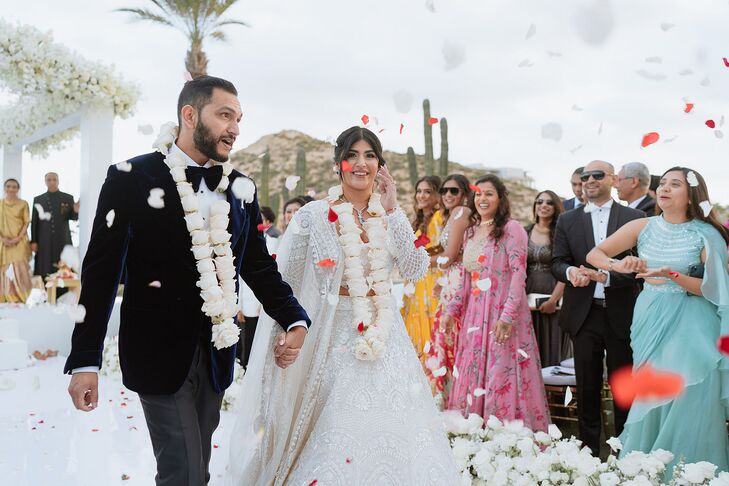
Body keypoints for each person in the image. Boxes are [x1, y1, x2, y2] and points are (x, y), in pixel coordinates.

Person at [64, 76, 310, 486]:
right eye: (225, 115)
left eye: (239, 118)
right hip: (156, 352)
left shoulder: (240, 187)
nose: (234, 127)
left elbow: (256, 265)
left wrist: (294, 317)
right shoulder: (130, 177)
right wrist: (86, 359)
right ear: (190, 114)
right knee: (183, 471)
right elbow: (101, 272)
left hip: (216, 353)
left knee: (197, 469)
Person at [226, 127, 459, 485]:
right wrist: (286, 332)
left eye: (369, 155)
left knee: (393, 423)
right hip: (331, 333)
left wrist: (395, 210)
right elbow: (283, 282)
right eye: (352, 155)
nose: (361, 163)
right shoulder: (313, 216)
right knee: (335, 421)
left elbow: (413, 269)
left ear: (380, 165)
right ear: (339, 164)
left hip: (385, 334)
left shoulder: (388, 216)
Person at [587, 167, 729, 473]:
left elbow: (714, 289)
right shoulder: (643, 226)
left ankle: (688, 473)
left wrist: (671, 275)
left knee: (686, 395)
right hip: (649, 315)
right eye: (662, 183)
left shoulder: (707, 234)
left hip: (692, 323)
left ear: (692, 194)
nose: (664, 188)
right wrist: (620, 263)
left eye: (674, 184)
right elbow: (595, 254)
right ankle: (646, 472)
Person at [551, 160, 645, 455]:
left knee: (623, 388)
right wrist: (570, 273)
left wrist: (607, 276)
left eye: (597, 175)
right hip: (584, 314)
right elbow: (557, 261)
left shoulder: (635, 216)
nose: (589, 180)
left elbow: (641, 266)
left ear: (614, 179)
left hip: (622, 313)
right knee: (587, 388)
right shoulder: (567, 220)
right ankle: (589, 453)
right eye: (584, 176)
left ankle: (626, 453)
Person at [442, 174, 550, 431]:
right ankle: (471, 435)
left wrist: (508, 316)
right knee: (472, 374)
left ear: (501, 199)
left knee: (501, 375)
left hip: (502, 315)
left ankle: (503, 439)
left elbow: (518, 274)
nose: (482, 198)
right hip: (473, 319)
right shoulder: (470, 232)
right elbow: (467, 280)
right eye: (478, 193)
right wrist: (451, 310)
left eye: (489, 193)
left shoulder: (511, 229)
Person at [425, 174, 474, 408]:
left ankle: (453, 400)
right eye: (444, 191)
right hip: (451, 279)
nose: (447, 195)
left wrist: (422, 260)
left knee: (450, 334)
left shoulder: (461, 213)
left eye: (453, 191)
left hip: (458, 280)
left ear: (465, 193)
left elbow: (450, 255)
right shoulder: (453, 215)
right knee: (446, 335)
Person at [525, 190, 570, 367]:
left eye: (549, 203)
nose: (543, 205)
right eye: (539, 201)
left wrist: (553, 300)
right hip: (526, 292)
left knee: (552, 341)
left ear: (556, 207)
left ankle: (552, 392)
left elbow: (565, 267)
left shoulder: (561, 233)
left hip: (554, 291)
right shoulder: (524, 231)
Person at [401, 175, 444, 359]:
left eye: (428, 192)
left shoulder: (439, 218)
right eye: (419, 191)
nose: (422, 196)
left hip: (432, 279)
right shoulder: (418, 221)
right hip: (416, 282)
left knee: (431, 325)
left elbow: (448, 252)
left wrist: (420, 262)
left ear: (437, 196)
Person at [237, 205, 282, 367]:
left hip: (264, 300)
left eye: (260, 218)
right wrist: (239, 305)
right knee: (246, 339)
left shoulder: (275, 240)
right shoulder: (245, 239)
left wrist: (266, 301)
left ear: (268, 222)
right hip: (247, 300)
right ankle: (244, 367)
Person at [30, 172, 79, 279]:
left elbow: (74, 218)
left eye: (54, 179)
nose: (52, 182)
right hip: (44, 239)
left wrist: (76, 210)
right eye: (49, 180)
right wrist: (33, 241)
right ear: (45, 182)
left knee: (63, 264)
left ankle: (63, 293)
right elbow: (34, 222)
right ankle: (47, 293)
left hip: (62, 237)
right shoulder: (38, 199)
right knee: (44, 265)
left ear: (58, 181)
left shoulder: (68, 198)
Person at [0, 178, 32, 302]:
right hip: (3, 243)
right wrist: (3, 239)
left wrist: (17, 239)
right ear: (4, 188)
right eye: (8, 186)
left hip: (19, 242)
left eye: (14, 187)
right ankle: (5, 296)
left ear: (18, 189)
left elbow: (26, 222)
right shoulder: (0, 204)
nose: (11, 189)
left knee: (20, 267)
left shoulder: (23, 204)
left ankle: (22, 297)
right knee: (4, 269)